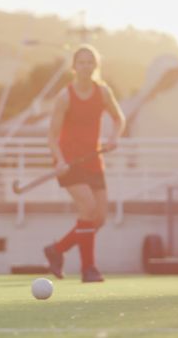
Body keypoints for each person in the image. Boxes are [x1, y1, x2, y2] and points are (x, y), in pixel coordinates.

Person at [42, 45, 126, 283]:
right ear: (74, 66)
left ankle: (57, 250)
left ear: (95, 66)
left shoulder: (103, 92)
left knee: (99, 218)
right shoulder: (65, 96)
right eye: (81, 62)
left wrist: (114, 137)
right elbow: (51, 136)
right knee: (87, 207)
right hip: (69, 161)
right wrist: (59, 160)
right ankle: (89, 269)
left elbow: (119, 118)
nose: (86, 66)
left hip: (93, 160)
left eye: (90, 62)